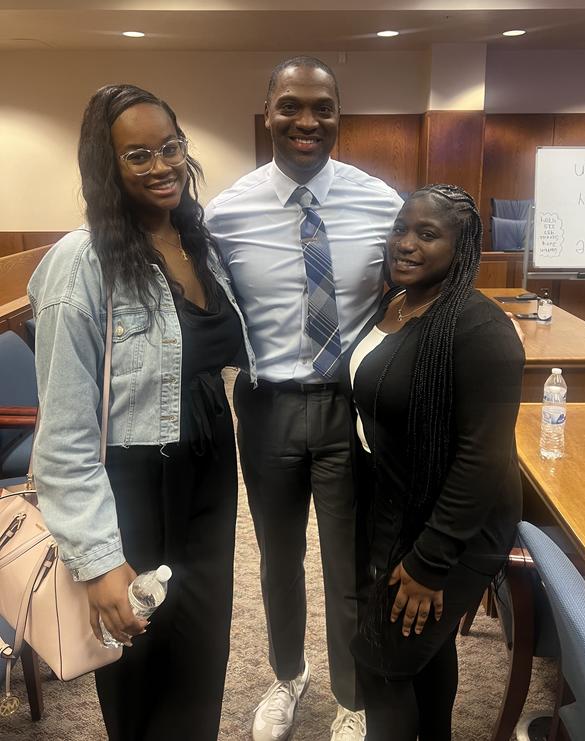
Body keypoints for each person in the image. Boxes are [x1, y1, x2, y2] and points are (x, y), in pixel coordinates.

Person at [28, 84, 256, 741]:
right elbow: (66, 431)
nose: (162, 165)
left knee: (202, 648)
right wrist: (98, 558)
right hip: (130, 485)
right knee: (137, 657)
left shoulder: (201, 244)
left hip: (211, 467)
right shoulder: (81, 264)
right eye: (137, 154)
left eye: (171, 147)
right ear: (108, 167)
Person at [205, 56, 403, 741]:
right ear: (268, 113)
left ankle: (353, 694)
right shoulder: (226, 214)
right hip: (264, 408)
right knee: (277, 557)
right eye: (291, 105)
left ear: (339, 116)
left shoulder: (382, 204)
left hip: (352, 407)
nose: (307, 121)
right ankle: (288, 674)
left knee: (350, 563)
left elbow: (410, 299)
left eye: (323, 107)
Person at [347, 184, 525, 741]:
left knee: (383, 662)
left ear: (464, 246)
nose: (406, 243)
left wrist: (431, 563)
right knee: (422, 649)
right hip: (403, 505)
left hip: (456, 529)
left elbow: (483, 456)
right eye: (401, 229)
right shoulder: (399, 301)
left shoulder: (480, 329)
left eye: (427, 234)